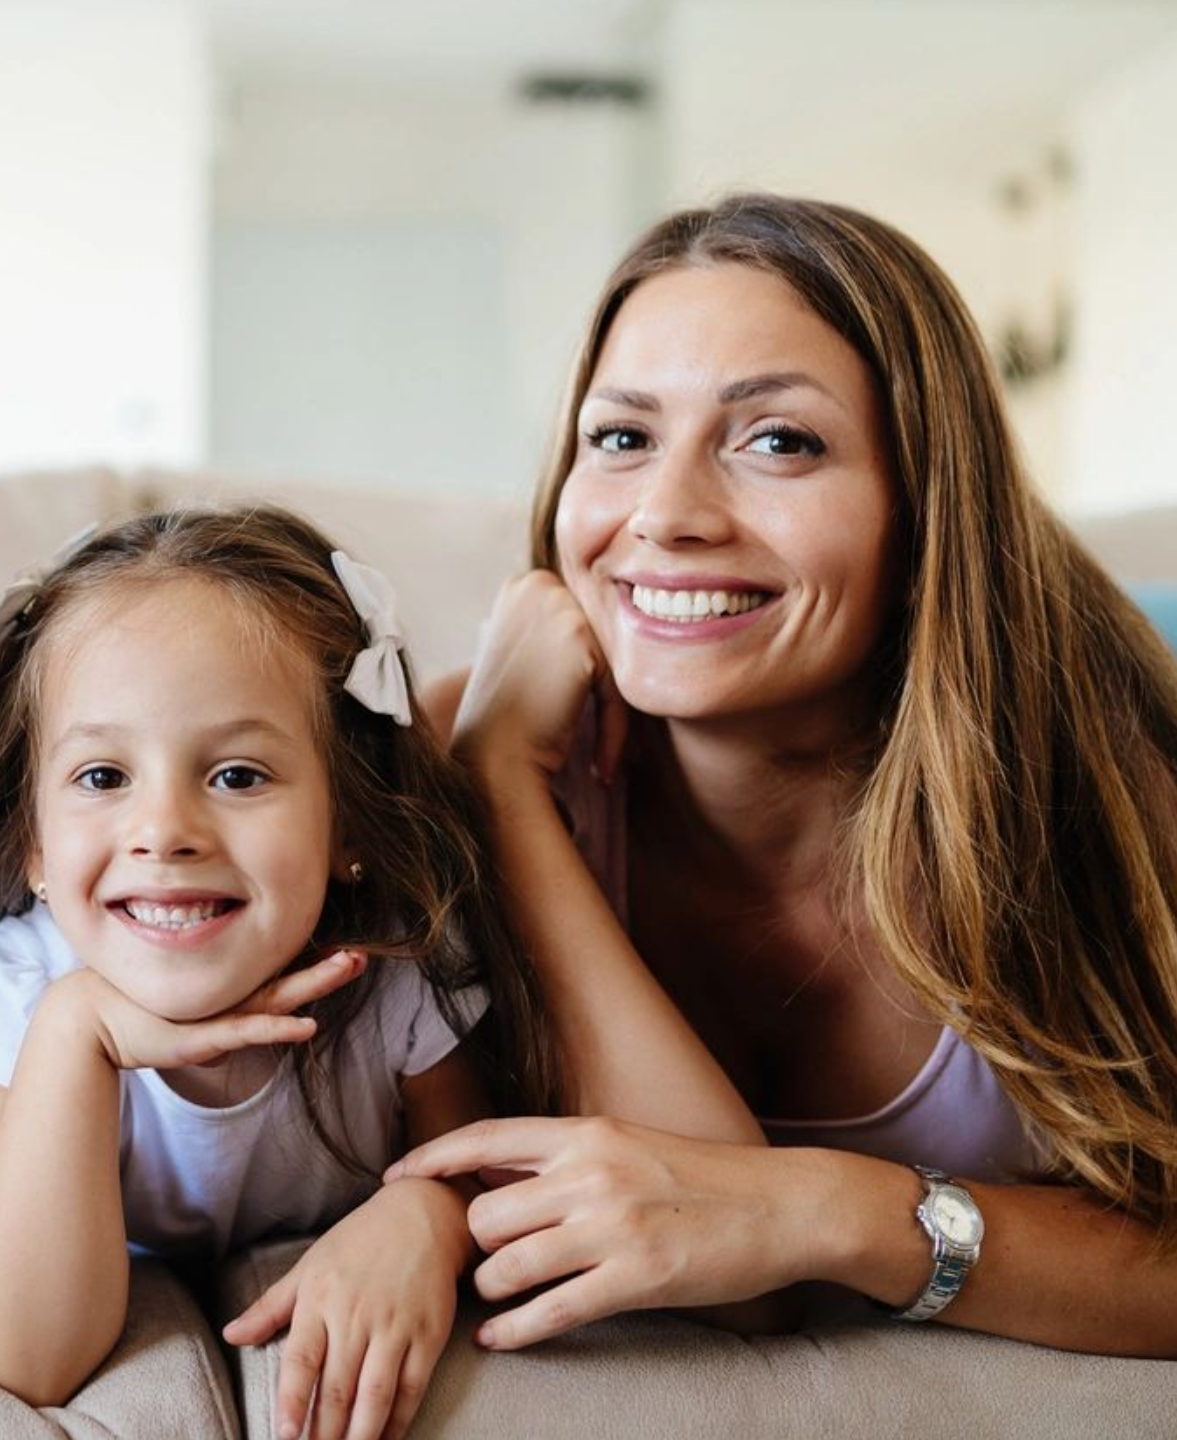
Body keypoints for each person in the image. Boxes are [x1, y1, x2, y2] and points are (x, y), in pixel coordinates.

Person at [390, 193, 1177, 1357]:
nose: (664, 514)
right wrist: (502, 787)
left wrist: (832, 1212)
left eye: (778, 441)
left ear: (925, 502)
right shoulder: (463, 748)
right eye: (621, 438)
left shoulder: (1105, 777)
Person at [0, 507, 551, 1439]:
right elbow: (28, 1357)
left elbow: (480, 1173)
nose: (165, 830)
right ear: (31, 842)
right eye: (103, 777)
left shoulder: (397, 967)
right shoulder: (19, 987)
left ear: (348, 822)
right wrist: (78, 1030)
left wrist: (426, 1215)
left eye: (237, 776)